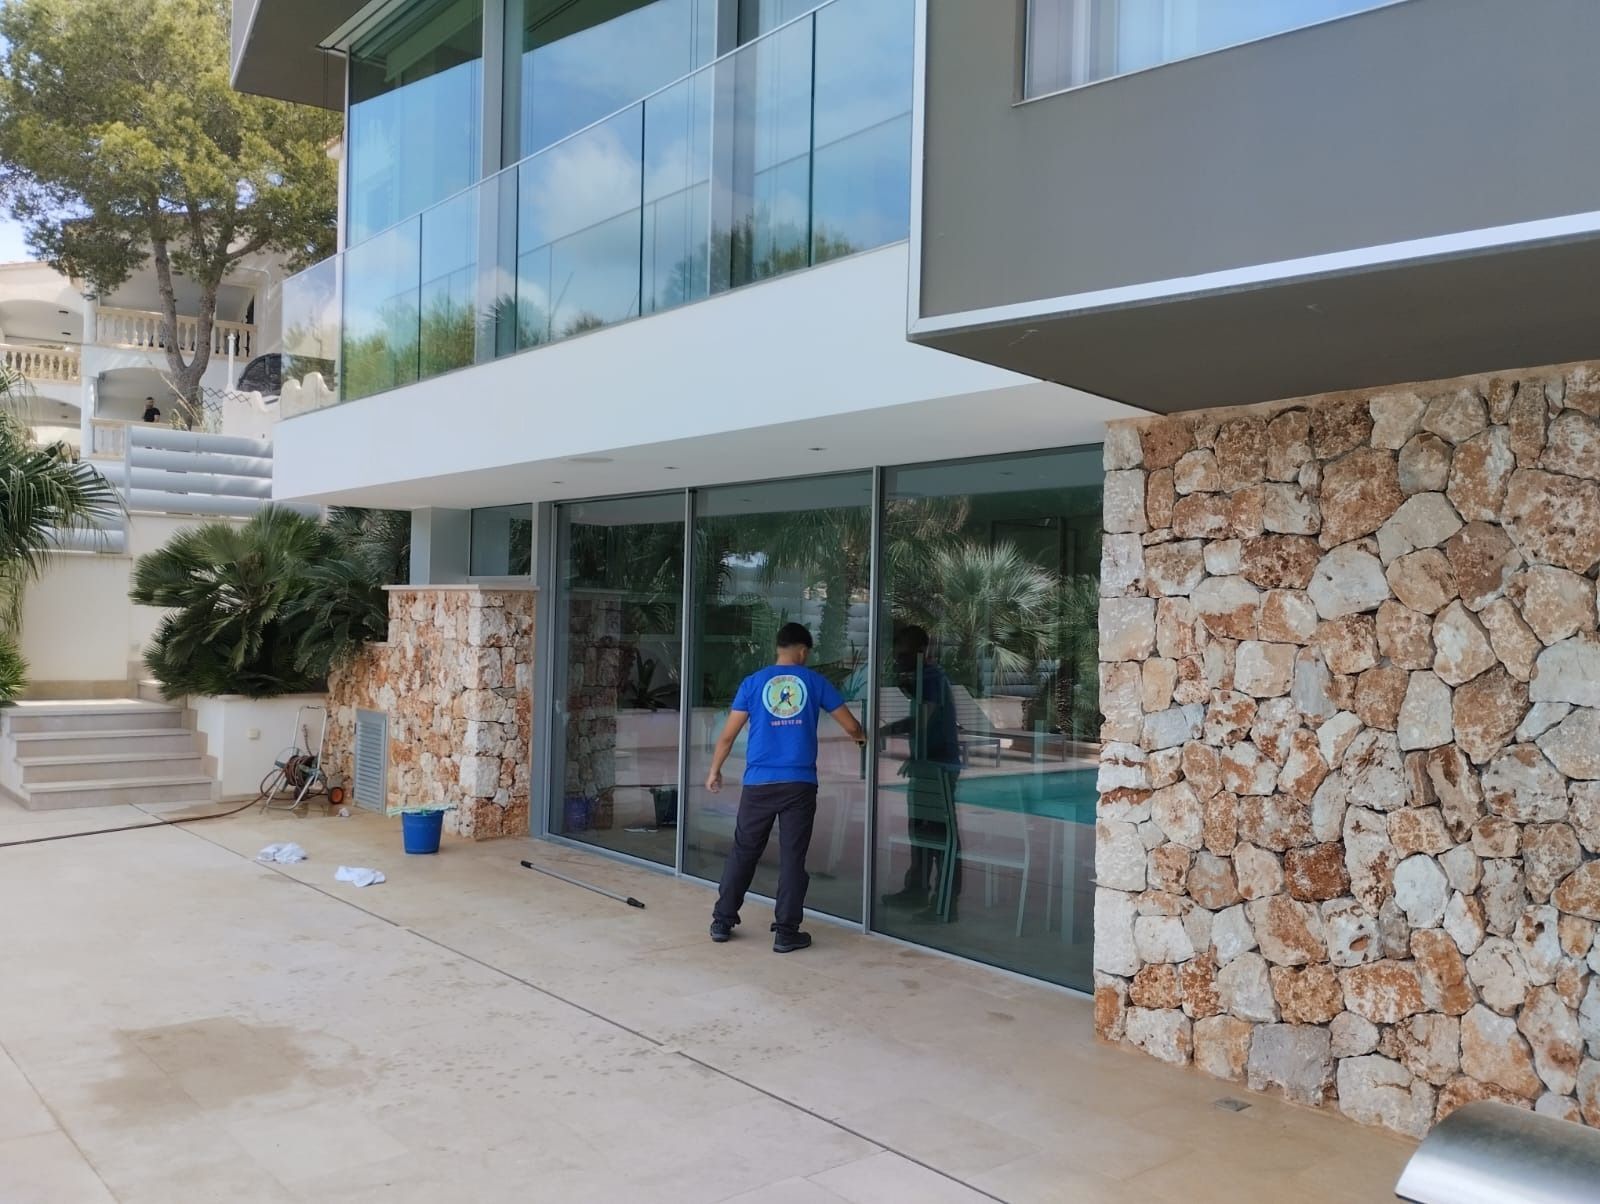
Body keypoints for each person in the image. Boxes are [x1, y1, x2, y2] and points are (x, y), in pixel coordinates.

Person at [707, 622, 867, 952]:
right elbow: (851, 725)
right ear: (803, 651)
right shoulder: (815, 682)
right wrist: (861, 738)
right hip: (799, 783)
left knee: (744, 851)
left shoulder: (753, 683)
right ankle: (786, 932)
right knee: (793, 857)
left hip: (759, 783)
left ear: (778, 648)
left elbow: (728, 734)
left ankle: (722, 921)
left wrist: (715, 771)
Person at [880, 625, 964, 922]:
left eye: (901, 653)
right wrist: (889, 729)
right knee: (919, 830)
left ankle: (945, 904)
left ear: (919, 652)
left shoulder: (930, 677)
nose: (897, 659)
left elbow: (924, 720)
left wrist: (916, 759)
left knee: (941, 836)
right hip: (927, 764)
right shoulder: (922, 677)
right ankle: (916, 889)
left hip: (938, 766)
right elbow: (919, 718)